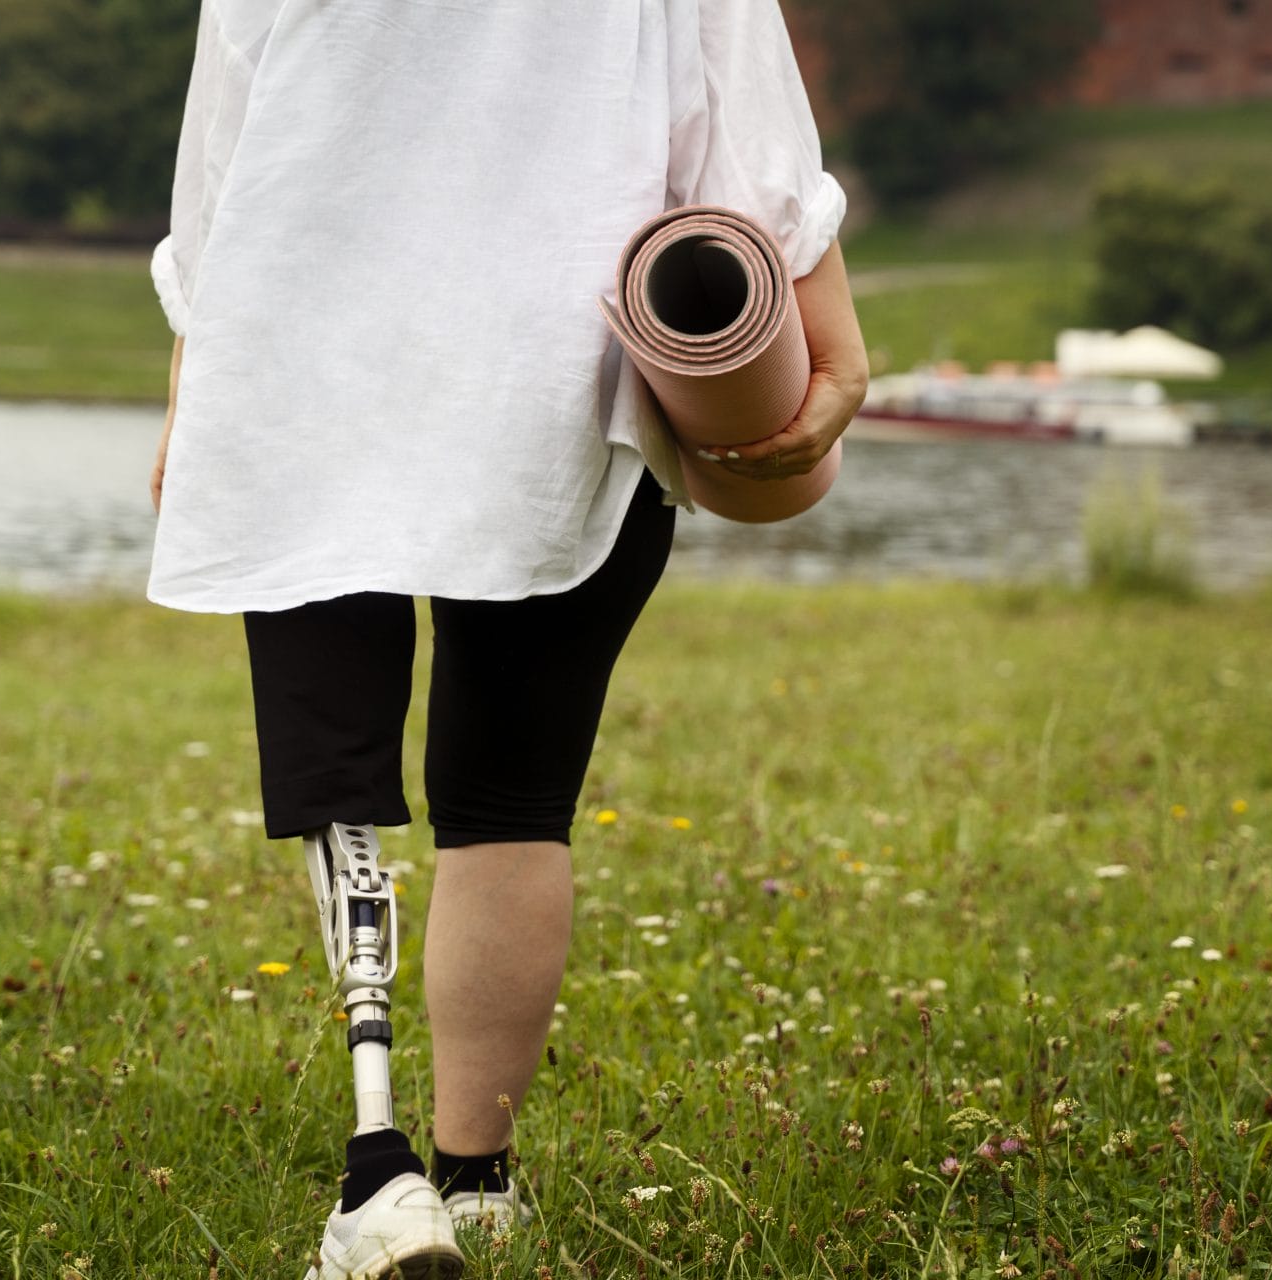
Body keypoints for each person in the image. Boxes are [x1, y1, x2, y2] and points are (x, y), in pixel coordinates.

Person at [144, 2, 865, 1276]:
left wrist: (192, 384)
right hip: (557, 372)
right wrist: (830, 336)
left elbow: (228, 144)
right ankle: (477, 1183)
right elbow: (742, 129)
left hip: (308, 358)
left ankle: (380, 1172)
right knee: (511, 799)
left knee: (339, 766)